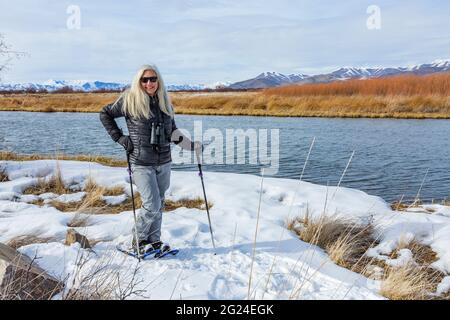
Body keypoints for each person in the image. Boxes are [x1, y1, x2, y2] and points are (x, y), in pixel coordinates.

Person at [99, 64, 201, 255]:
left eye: (153, 79)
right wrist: (120, 138)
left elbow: (172, 132)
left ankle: (154, 241)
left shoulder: (165, 104)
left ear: (158, 81)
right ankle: (138, 241)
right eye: (144, 80)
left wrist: (191, 146)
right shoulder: (130, 101)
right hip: (141, 162)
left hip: (164, 161)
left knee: (159, 202)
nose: (149, 83)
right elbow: (105, 114)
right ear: (139, 82)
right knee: (151, 203)